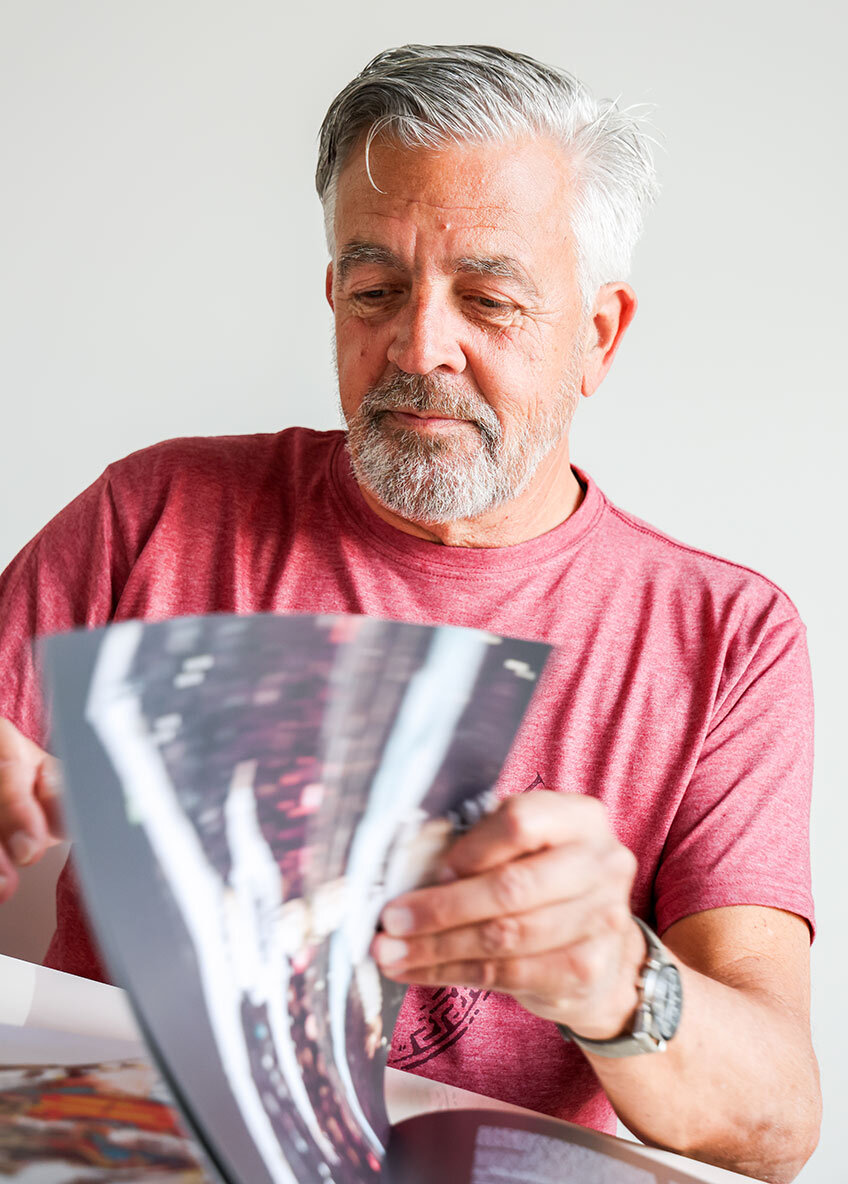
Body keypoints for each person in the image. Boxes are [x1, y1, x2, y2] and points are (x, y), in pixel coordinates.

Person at [0, 44, 820, 1181]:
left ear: (598, 334)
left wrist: (616, 977)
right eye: (376, 290)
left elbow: (775, 1123)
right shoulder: (154, 515)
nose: (418, 346)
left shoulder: (723, 636)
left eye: (489, 300)